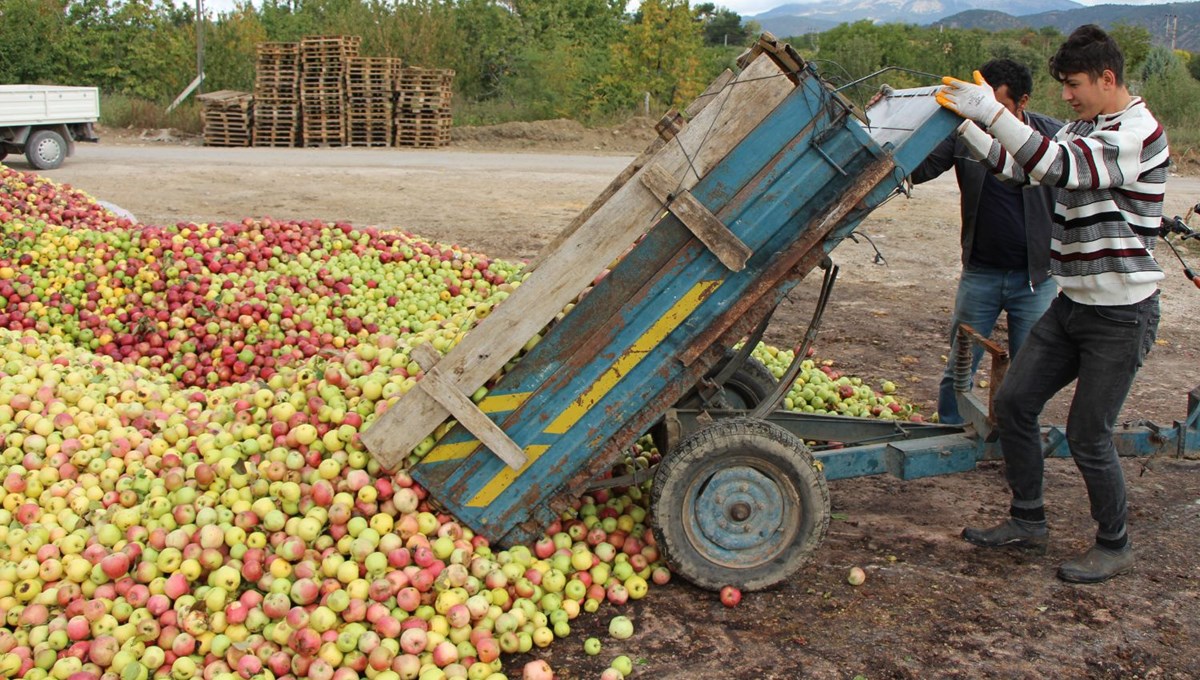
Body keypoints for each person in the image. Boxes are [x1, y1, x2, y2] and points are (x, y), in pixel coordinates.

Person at [936, 24, 1168, 583]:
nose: (1065, 95)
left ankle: (1114, 543)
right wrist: (967, 126)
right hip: (1073, 304)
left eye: (1073, 84)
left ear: (1106, 78)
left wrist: (993, 113)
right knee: (1015, 403)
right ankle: (1027, 519)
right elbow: (1023, 170)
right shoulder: (1086, 127)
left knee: (1089, 433)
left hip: (1121, 313)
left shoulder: (1136, 133)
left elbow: (1058, 166)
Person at [910, 58, 1062, 425]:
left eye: (999, 108)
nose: (988, 117)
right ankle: (949, 431)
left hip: (1036, 280)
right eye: (983, 105)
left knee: (1029, 372)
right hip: (981, 275)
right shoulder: (966, 132)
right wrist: (895, 129)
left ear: (1023, 102)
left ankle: (1016, 439)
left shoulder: (1053, 138)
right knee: (960, 365)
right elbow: (919, 169)